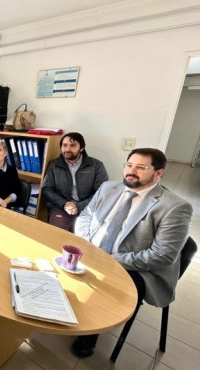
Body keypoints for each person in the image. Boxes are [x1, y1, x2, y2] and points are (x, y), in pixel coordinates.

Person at [71, 148, 193, 358]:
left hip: (137, 267)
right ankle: (68, 307)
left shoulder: (175, 207)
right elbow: (85, 216)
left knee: (107, 285)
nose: (131, 171)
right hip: (92, 251)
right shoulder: (109, 187)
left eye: (141, 167)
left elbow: (162, 255)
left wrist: (108, 261)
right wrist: (86, 245)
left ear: (159, 173)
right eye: (128, 165)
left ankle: (91, 332)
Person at [42, 132, 108, 232]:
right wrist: (64, 204)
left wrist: (78, 206)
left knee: (87, 236)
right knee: (57, 234)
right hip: (60, 207)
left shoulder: (96, 165)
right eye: (64, 145)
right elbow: (47, 189)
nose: (67, 149)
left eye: (72, 145)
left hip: (88, 208)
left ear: (81, 148)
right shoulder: (54, 165)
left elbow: (101, 192)